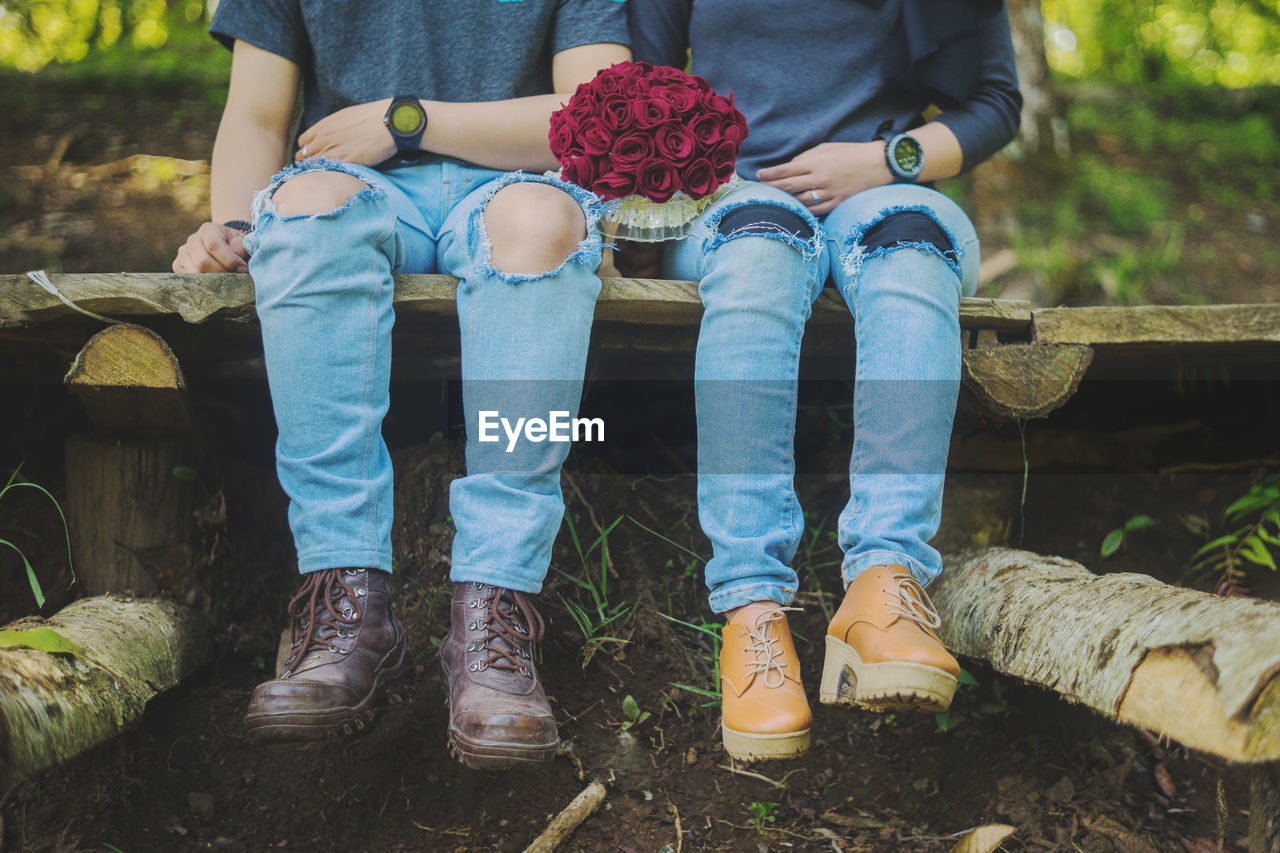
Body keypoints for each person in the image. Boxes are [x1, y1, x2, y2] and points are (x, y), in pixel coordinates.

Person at [172, 0, 629, 768]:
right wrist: (237, 230)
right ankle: (345, 604)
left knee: (543, 223)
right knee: (305, 210)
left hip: (516, 184)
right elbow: (255, 115)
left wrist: (409, 121)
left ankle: (494, 616)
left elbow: (600, 114)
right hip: (348, 185)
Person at [627, 0, 1021, 760]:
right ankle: (752, 611)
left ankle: (886, 581)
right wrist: (648, 202)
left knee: (913, 247)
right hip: (725, 197)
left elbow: (996, 104)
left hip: (876, 187)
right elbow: (639, 83)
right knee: (761, 248)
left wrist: (886, 161)